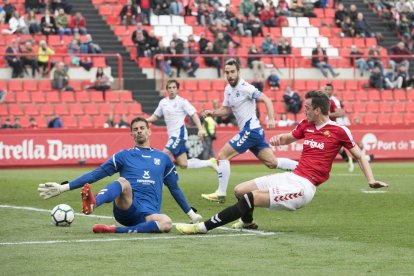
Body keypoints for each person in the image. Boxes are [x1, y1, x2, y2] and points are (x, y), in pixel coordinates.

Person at [175, 90, 388, 234]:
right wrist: (279, 140)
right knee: (240, 190)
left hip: (304, 187)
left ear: (318, 110)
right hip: (292, 176)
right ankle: (248, 223)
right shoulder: (307, 124)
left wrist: (371, 179)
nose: (304, 110)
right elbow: (291, 136)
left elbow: (359, 155)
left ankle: (201, 227)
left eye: (307, 107)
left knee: (249, 198)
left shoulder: (339, 131)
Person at [38, 117, 203, 234]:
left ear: (149, 131)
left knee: (166, 223)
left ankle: (113, 230)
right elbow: (96, 174)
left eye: (141, 128)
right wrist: (63, 187)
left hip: (148, 215)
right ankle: (93, 203)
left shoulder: (164, 158)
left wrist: (191, 214)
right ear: (131, 135)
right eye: (135, 130)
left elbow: (175, 189)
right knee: (123, 182)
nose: (138, 132)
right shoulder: (123, 155)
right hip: (127, 207)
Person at [200, 59, 298, 203]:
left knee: (222, 155)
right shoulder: (228, 89)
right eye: (227, 72)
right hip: (254, 132)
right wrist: (212, 113)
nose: (230, 75)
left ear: (239, 72)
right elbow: (226, 110)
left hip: (250, 129)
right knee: (271, 162)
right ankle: (301, 168)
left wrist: (271, 118)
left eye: (232, 72)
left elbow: (267, 100)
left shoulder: (246, 87)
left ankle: (220, 193)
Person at [146, 79, 219, 173]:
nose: (171, 90)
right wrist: (145, 120)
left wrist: (200, 129)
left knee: (164, 154)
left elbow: (193, 114)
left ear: (177, 90)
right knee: (183, 164)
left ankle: (152, 176)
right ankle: (210, 162)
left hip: (179, 135)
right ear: (167, 90)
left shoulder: (182, 102)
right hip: (172, 136)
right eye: (169, 88)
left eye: (174, 87)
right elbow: (155, 116)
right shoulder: (163, 102)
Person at [324, 84, 353, 172]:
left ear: (332, 91)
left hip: (336, 126)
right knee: (335, 147)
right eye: (325, 89)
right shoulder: (323, 100)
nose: (326, 91)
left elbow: (339, 113)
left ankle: (355, 158)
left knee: (334, 146)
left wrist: (328, 115)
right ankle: (349, 159)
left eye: (328, 89)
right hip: (327, 126)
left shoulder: (334, 101)